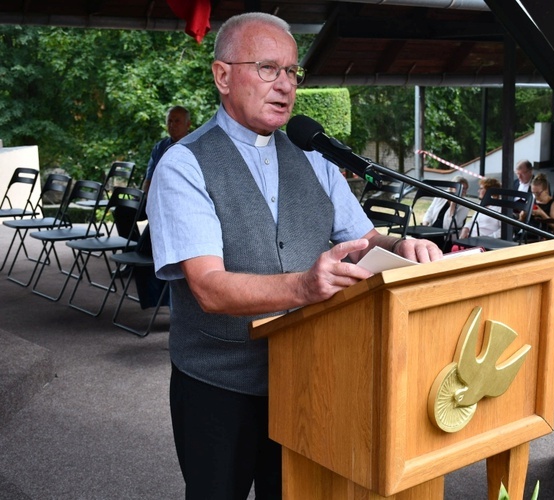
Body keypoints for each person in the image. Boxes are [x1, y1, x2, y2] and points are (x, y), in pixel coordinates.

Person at [146, 13, 442, 499]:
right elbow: (208, 288)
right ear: (222, 76)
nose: (285, 85)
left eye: (292, 72)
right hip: (218, 384)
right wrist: (304, 286)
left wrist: (400, 246)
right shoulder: (184, 164)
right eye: (268, 69)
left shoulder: (313, 156)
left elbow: (363, 239)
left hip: (310, 374)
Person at [142, 105, 192, 193]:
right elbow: (149, 180)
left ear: (188, 124)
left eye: (177, 121)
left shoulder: (196, 147)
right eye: (170, 121)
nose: (172, 125)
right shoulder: (160, 147)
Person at [421, 175, 470, 247]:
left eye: (465, 189)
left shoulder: (465, 205)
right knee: (420, 238)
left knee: (427, 242)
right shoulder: (442, 194)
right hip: (432, 227)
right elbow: (430, 210)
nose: (462, 191)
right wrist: (425, 223)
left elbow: (453, 225)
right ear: (451, 187)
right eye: (460, 188)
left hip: (446, 234)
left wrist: (453, 205)